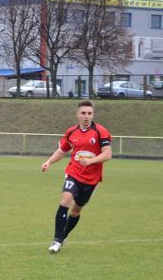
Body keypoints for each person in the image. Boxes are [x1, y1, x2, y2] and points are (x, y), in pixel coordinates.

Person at [40, 99, 113, 254]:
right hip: (73, 173)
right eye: (83, 113)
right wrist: (48, 162)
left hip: (92, 179)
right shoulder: (71, 132)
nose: (86, 116)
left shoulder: (100, 132)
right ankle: (56, 240)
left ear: (93, 115)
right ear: (77, 115)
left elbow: (107, 154)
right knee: (65, 200)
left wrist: (91, 161)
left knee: (75, 211)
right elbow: (62, 150)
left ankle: (62, 237)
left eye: (89, 113)